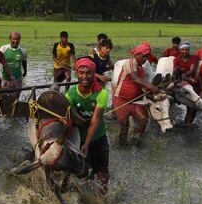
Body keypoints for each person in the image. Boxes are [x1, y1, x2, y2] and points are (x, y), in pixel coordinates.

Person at [64, 57, 110, 195]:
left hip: (97, 137)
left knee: (102, 173)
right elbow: (68, 115)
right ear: (76, 73)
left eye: (88, 73)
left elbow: (95, 120)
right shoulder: (70, 94)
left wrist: (87, 144)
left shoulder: (101, 93)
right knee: (82, 172)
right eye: (81, 72)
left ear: (93, 74)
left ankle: (102, 200)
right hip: (78, 138)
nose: (84, 76)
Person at [112, 42, 158, 144]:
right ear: (137, 55)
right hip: (121, 100)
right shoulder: (129, 63)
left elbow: (140, 84)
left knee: (143, 119)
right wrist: (150, 86)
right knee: (124, 125)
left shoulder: (140, 68)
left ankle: (136, 139)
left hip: (135, 100)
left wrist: (148, 91)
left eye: (147, 57)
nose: (145, 59)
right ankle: (122, 144)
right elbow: (135, 79)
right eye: (143, 56)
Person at [173, 41, 200, 125]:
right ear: (180, 50)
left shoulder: (194, 58)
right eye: (183, 50)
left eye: (187, 50)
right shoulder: (177, 59)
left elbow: (192, 70)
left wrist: (185, 74)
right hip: (181, 81)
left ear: (189, 50)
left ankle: (188, 122)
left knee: (193, 105)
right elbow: (175, 70)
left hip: (192, 81)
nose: (185, 52)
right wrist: (177, 76)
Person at [0, 31, 27, 99]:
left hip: (17, 80)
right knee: (3, 99)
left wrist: (25, 71)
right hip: (5, 80)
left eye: (17, 39)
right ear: (10, 39)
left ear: (20, 39)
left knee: (16, 99)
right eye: (13, 39)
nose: (15, 41)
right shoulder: (3, 49)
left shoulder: (23, 51)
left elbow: (24, 61)